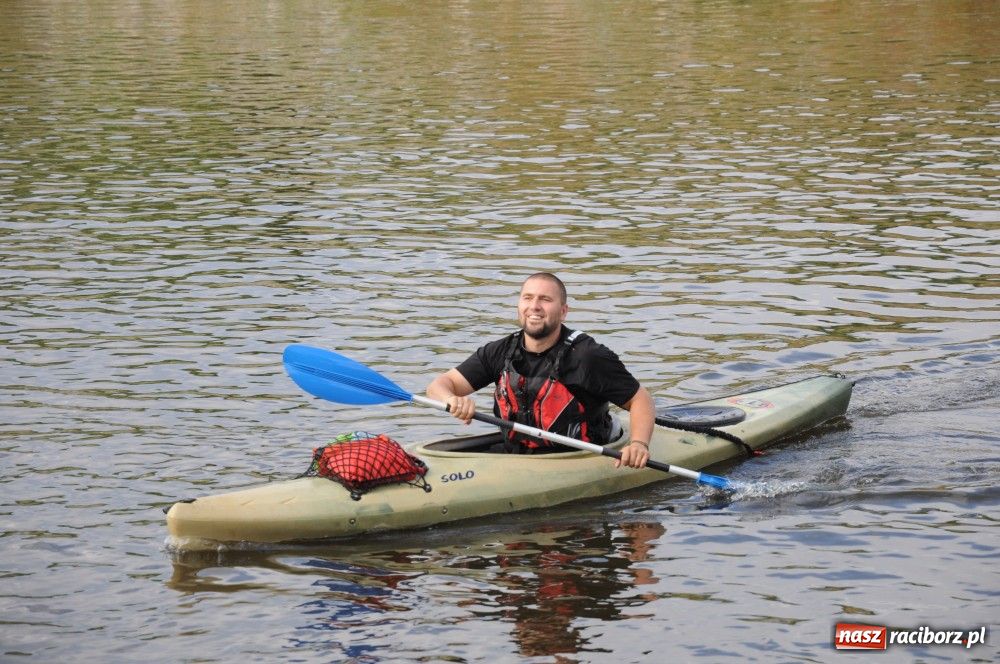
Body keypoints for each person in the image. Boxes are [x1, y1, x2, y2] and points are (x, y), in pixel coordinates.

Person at [426, 272, 655, 469]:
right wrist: (452, 400)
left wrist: (638, 444)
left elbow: (640, 399)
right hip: (518, 456)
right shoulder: (500, 351)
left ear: (563, 311)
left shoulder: (588, 357)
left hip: (581, 457)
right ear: (519, 306)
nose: (534, 306)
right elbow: (439, 385)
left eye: (545, 299)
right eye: (528, 298)